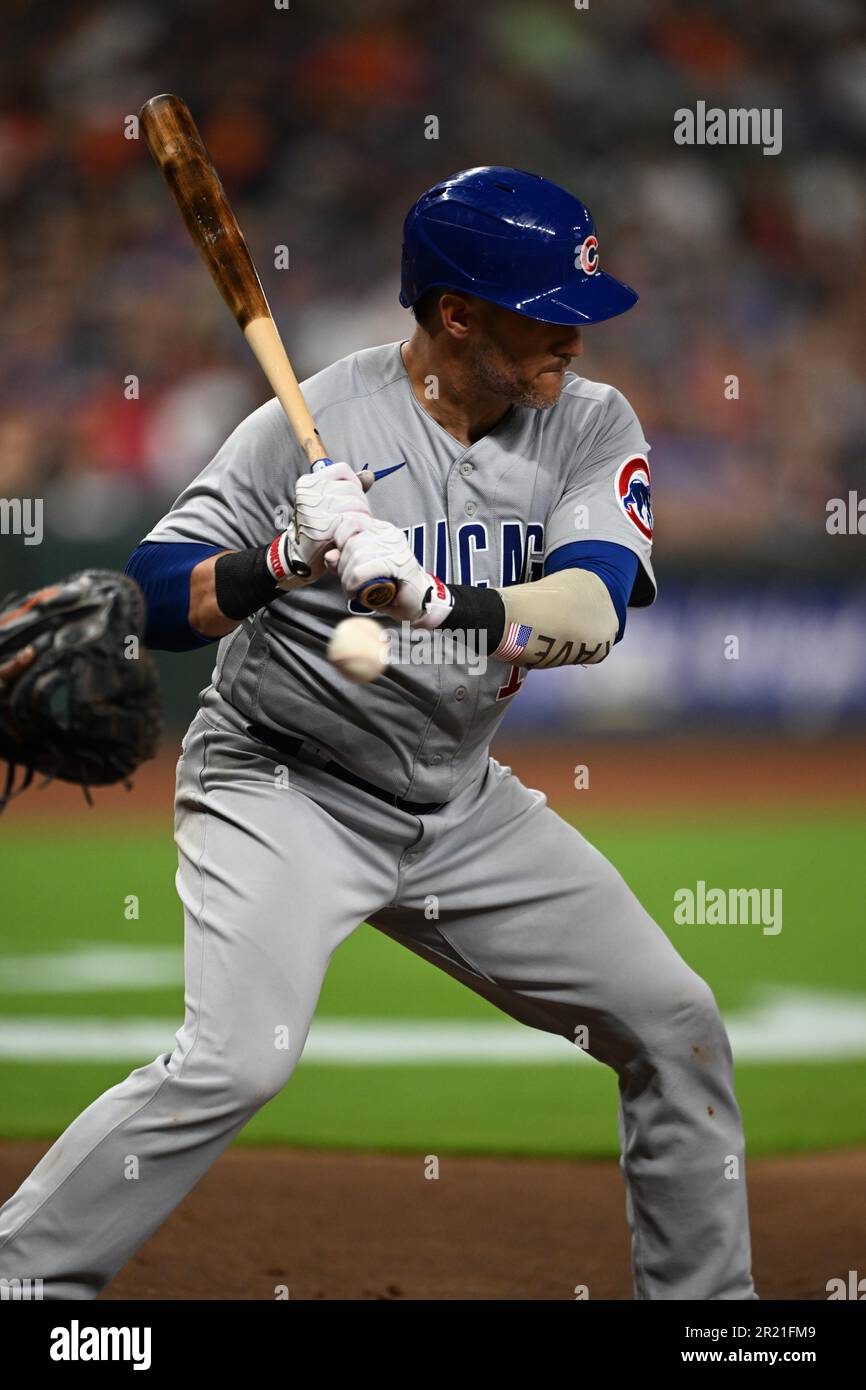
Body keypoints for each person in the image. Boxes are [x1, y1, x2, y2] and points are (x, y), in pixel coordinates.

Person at [0, 168, 757, 1299]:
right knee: (235, 1060)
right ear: (456, 314)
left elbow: (592, 610)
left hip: (459, 802)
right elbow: (154, 598)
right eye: (546, 314)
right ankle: (23, 1281)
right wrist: (285, 561)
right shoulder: (307, 422)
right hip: (280, 784)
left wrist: (439, 601)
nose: (573, 341)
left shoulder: (590, 422)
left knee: (672, 1021)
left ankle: (708, 1318)